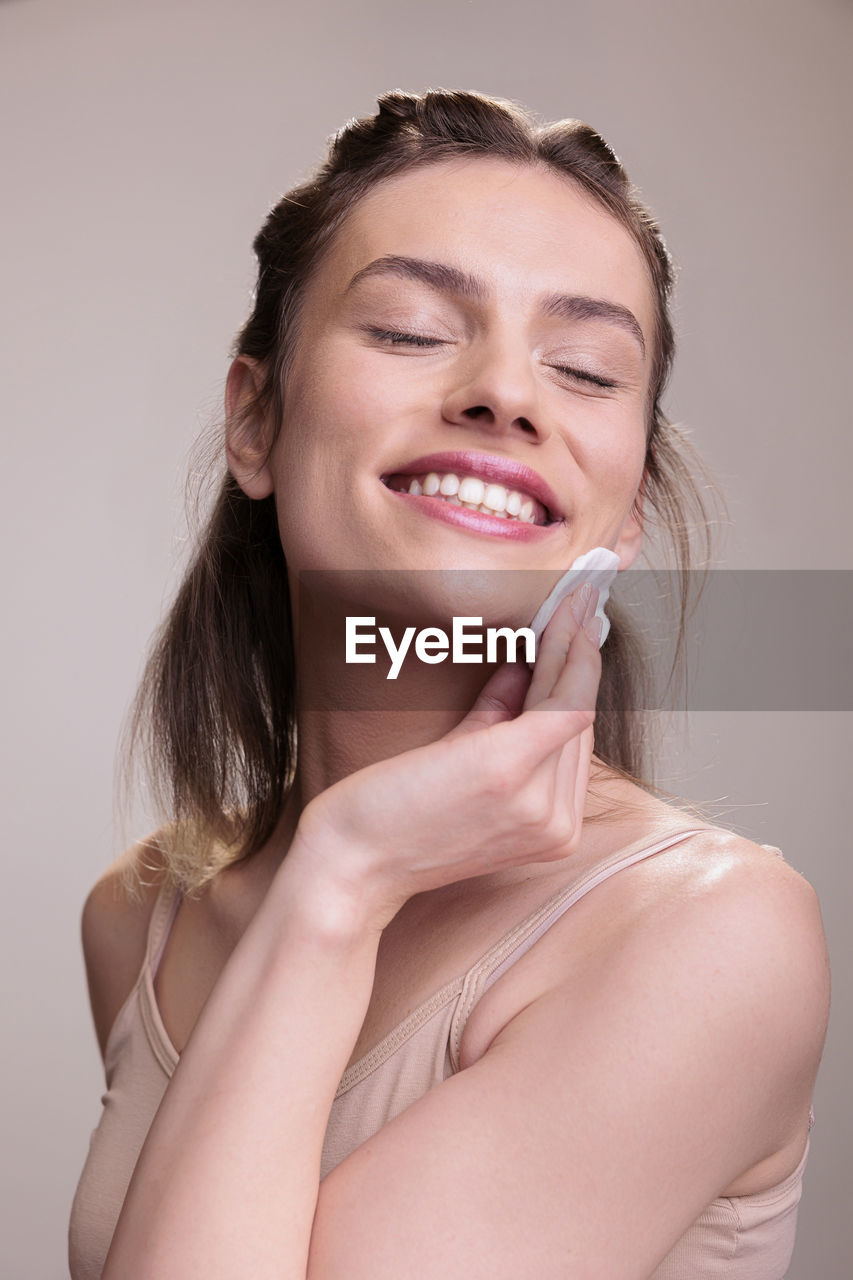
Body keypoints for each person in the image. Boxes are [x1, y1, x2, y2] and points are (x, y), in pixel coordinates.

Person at [68, 89, 829, 1279]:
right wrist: (339, 867)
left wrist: (343, 872)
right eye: (414, 330)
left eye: (582, 367)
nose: (503, 394)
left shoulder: (709, 934)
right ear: (255, 422)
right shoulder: (141, 918)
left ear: (623, 509)